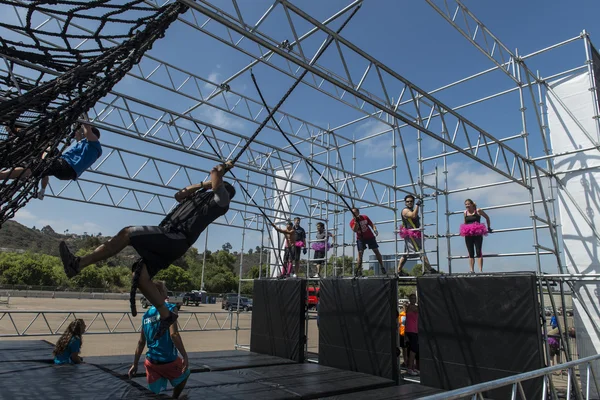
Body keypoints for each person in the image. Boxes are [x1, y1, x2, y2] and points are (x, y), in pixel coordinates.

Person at [59, 161, 235, 340]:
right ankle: (166, 315)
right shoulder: (197, 197)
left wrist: (221, 170)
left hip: (174, 238)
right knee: (140, 277)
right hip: (172, 241)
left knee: (127, 233)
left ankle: (78, 264)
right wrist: (204, 184)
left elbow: (215, 176)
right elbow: (179, 194)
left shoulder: (221, 202)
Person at [0, 117, 102, 200]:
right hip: (65, 168)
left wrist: (83, 117)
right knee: (49, 148)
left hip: (66, 166)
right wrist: (77, 124)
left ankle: (2, 175)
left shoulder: (94, 144)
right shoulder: (86, 145)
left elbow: (87, 129)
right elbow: (79, 135)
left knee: (35, 168)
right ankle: (42, 159)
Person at [128, 281, 190, 398]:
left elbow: (141, 342)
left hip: (151, 362)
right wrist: (185, 356)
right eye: (165, 290)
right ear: (160, 293)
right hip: (167, 360)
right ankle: (175, 397)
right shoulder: (170, 308)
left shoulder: (146, 315)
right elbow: (174, 334)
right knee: (185, 374)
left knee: (153, 394)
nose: (167, 292)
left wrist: (135, 364)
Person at [397, 195, 435, 276]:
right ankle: (430, 269)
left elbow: (416, 222)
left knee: (407, 253)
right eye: (407, 201)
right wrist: (418, 205)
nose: (409, 203)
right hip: (410, 234)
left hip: (415, 233)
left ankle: (399, 271)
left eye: (411, 201)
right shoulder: (405, 210)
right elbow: (413, 215)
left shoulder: (412, 209)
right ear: (405, 202)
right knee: (419, 251)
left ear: (413, 202)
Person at [349, 207, 386, 277]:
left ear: (358, 212)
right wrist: (356, 222)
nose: (353, 214)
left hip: (370, 236)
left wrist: (375, 229)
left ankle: (382, 266)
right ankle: (359, 270)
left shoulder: (365, 217)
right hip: (360, 238)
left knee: (376, 251)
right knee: (360, 253)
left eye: (355, 212)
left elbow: (372, 224)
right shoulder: (352, 222)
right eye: (352, 213)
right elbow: (354, 230)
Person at [459, 199, 492, 273]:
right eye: (465, 204)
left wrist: (488, 227)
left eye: (468, 204)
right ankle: (471, 270)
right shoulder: (465, 212)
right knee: (470, 252)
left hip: (477, 233)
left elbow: (487, 217)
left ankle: (480, 270)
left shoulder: (478, 211)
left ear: (472, 204)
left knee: (478, 251)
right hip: (468, 234)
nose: (467, 206)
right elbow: (465, 222)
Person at [405, 293, 419, 376]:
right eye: (412, 298)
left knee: (412, 349)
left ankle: (412, 367)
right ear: (410, 299)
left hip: (412, 330)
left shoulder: (409, 307)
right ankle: (410, 368)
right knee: (413, 350)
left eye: (415, 298)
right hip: (412, 331)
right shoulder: (412, 307)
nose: (414, 299)